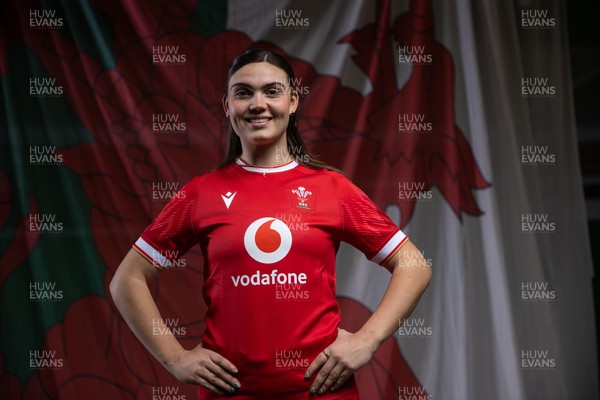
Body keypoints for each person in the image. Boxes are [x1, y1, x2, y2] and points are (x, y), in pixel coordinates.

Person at [110, 48, 432, 400]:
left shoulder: (331, 188)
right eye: (243, 92)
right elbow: (127, 279)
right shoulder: (202, 192)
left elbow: (414, 266)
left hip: (321, 393)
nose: (257, 103)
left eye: (272, 91)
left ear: (293, 102)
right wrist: (174, 359)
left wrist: (367, 341)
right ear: (227, 105)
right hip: (229, 393)